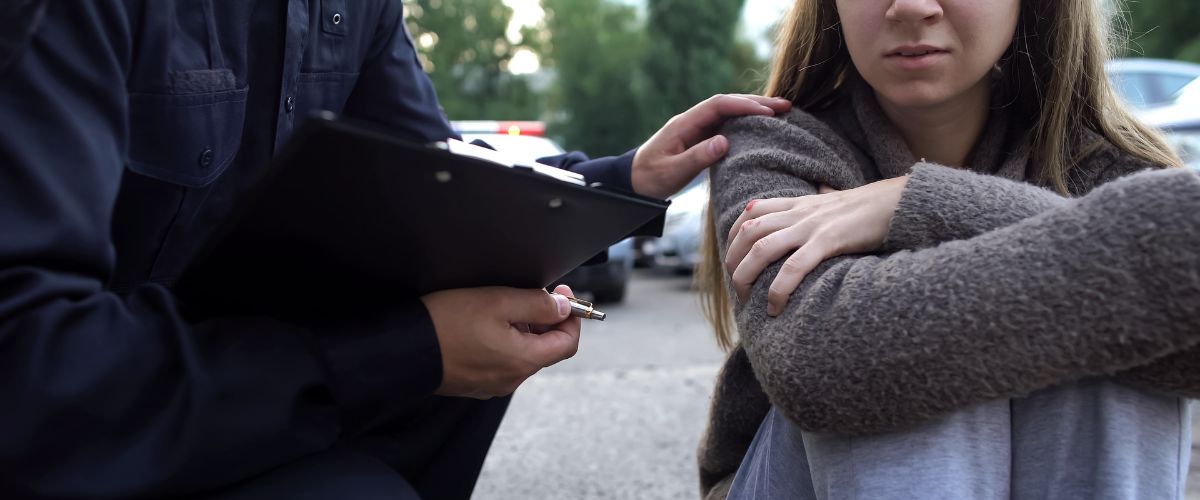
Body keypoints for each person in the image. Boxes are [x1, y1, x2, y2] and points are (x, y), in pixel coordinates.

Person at [0, 2, 791, 499]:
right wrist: (405, 353)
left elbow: (440, 190)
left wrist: (624, 181)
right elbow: (29, 367)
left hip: (267, 426)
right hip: (95, 441)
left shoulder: (353, 10)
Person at [695, 0, 1200, 499]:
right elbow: (819, 366)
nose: (911, 8)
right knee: (897, 353)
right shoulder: (771, 141)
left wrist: (919, 202)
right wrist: (1105, 249)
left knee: (1096, 329)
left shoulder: (1109, 163)